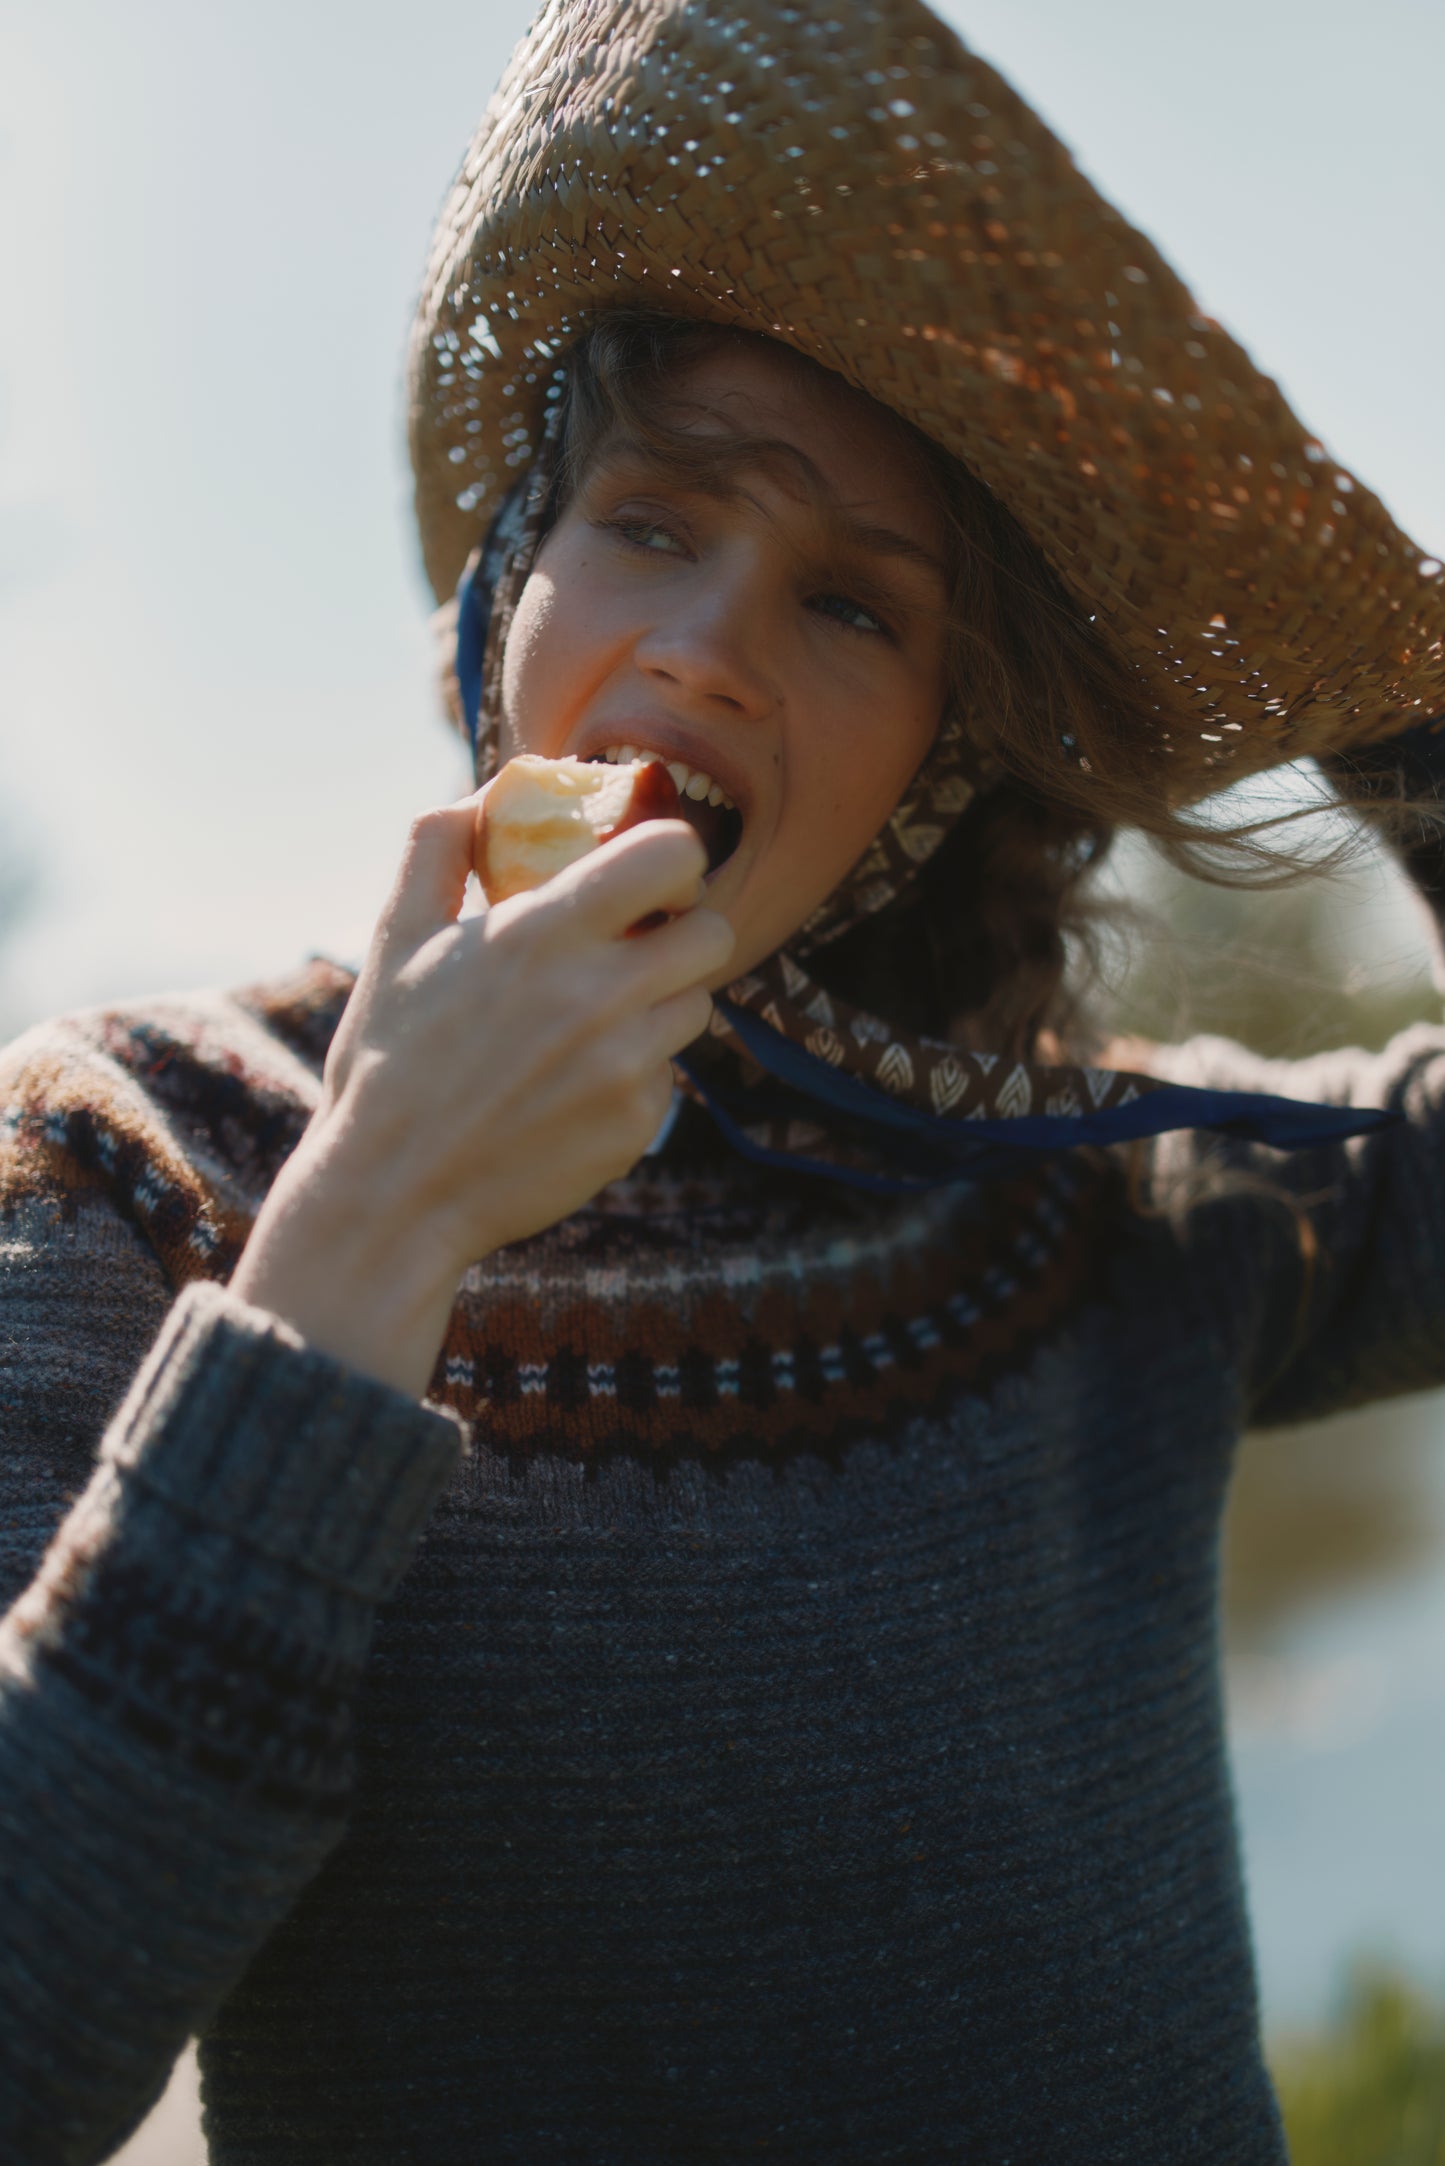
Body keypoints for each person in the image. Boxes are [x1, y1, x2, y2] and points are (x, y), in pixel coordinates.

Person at [2, 2, 1444, 2160]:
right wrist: (370, 1222)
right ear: (513, 575)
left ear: (930, 779)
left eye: (859, 611)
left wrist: (1379, 707)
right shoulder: (129, 1163)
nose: (712, 644)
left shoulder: (1080, 1200)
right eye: (657, 520)